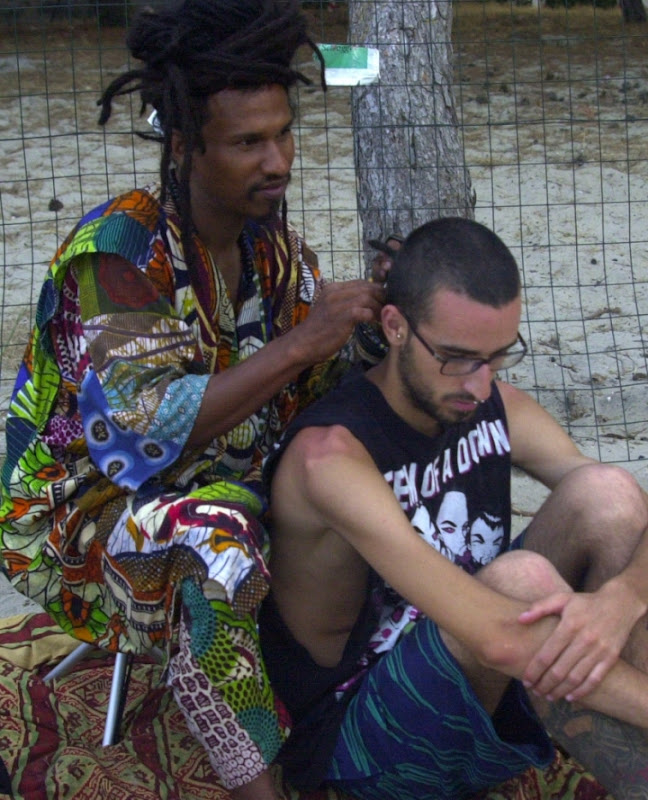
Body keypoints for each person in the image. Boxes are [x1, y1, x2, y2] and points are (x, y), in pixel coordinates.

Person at [0, 2, 384, 798]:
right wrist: (303, 344)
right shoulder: (118, 254)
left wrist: (382, 326)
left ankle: (378, 714)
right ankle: (258, 786)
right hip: (81, 514)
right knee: (217, 543)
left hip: (219, 480)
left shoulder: (270, 248)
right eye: (248, 143)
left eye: (284, 135)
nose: (277, 161)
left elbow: (322, 387)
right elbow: (142, 440)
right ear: (183, 145)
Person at [260, 217, 648, 799]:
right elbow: (500, 638)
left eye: (497, 357)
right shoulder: (330, 459)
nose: (480, 385)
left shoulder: (487, 400)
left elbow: (631, 508)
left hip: (484, 672)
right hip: (364, 739)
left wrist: (623, 598)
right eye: (457, 358)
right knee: (521, 580)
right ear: (395, 327)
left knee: (609, 492)